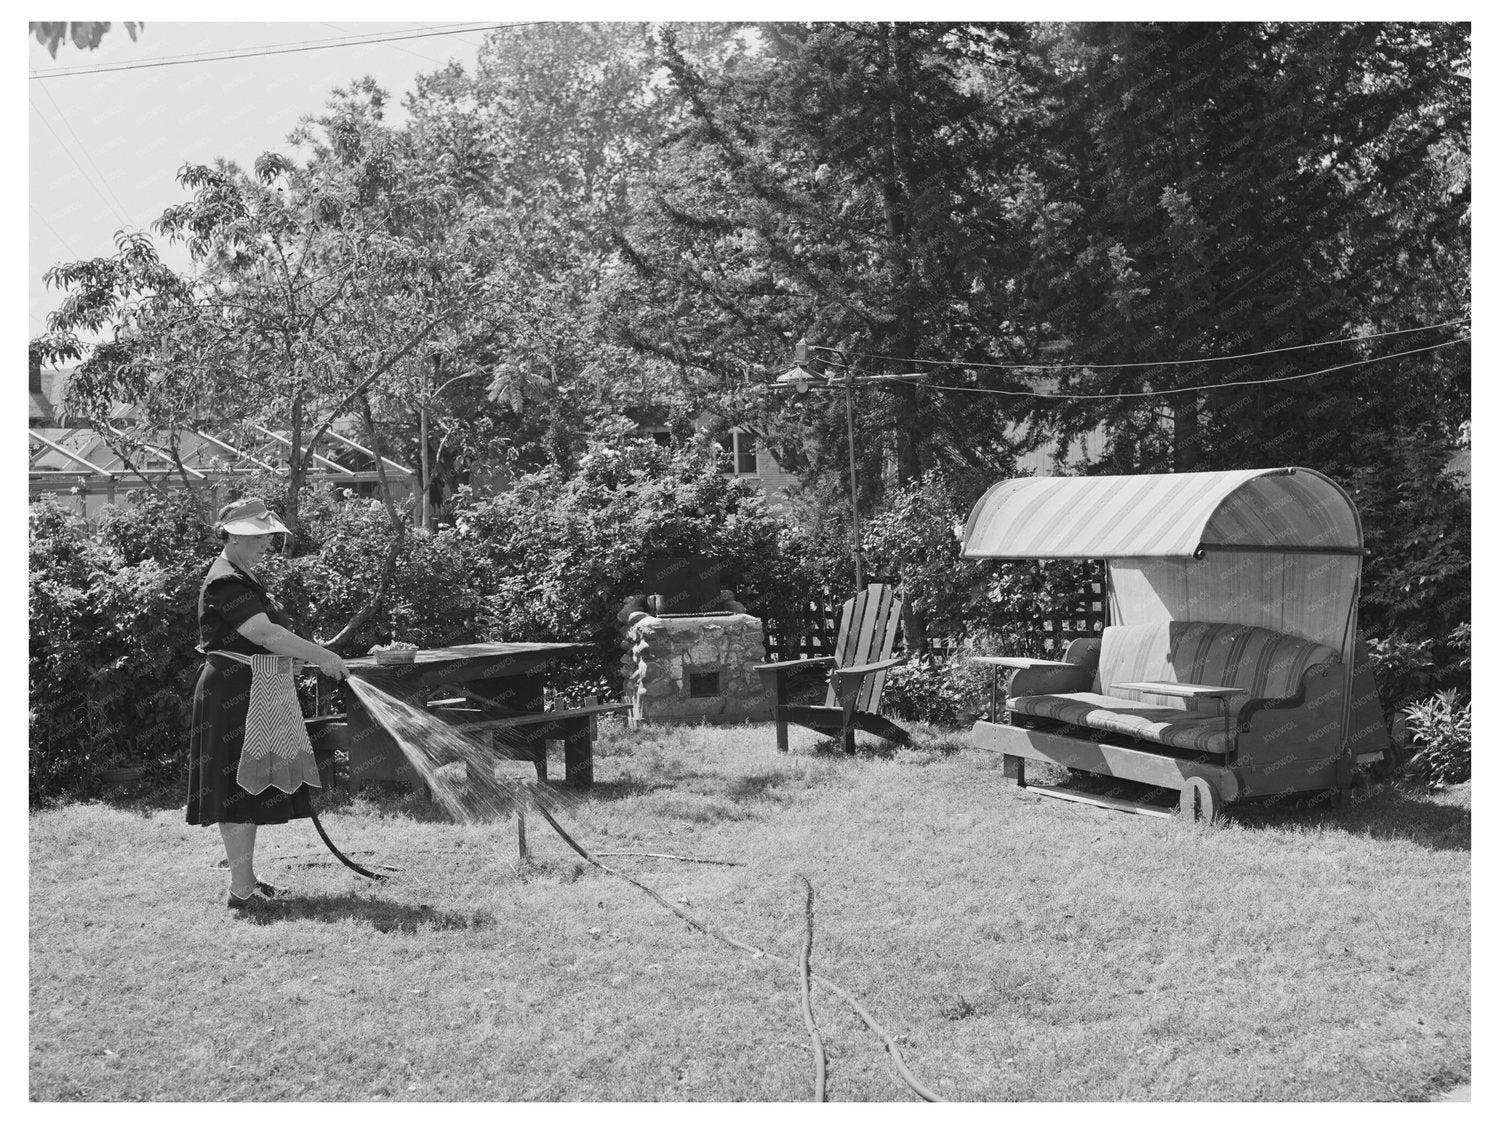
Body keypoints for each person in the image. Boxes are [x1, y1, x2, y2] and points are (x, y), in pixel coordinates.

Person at [186, 497, 349, 911]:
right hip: (233, 694)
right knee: (237, 787)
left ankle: (247, 880)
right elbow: (262, 633)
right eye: (259, 538)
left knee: (250, 781)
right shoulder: (226, 581)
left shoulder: (241, 575)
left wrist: (284, 663)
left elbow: (260, 640)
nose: (267, 545)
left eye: (268, 537)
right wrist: (320, 655)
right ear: (235, 537)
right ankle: (241, 891)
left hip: (252, 686)